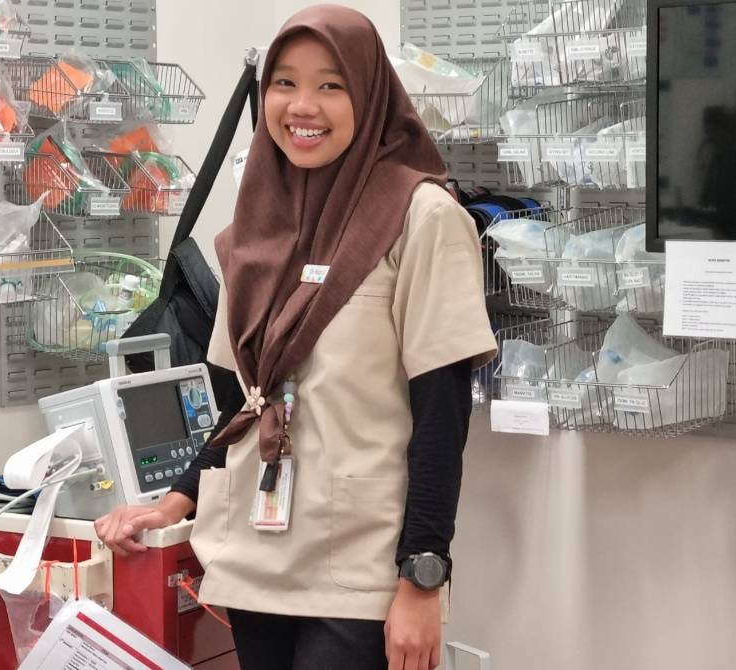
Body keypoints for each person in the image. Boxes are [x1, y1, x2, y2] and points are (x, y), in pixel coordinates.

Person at [95, 6, 497, 669]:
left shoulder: (423, 219)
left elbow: (441, 415)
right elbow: (241, 406)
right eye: (283, 82)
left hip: (360, 571)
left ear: (369, 96)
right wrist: (172, 503)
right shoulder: (256, 228)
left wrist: (424, 579)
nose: (302, 105)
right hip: (258, 559)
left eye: (331, 85)